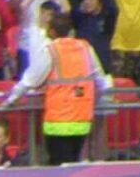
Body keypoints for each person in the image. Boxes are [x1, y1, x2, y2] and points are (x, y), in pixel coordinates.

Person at [7, 8, 113, 164]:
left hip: (58, 120)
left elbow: (31, 79)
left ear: (51, 32)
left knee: (58, 166)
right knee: (73, 161)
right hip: (82, 119)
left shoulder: (51, 50)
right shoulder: (85, 48)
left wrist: (11, 99)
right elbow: (99, 76)